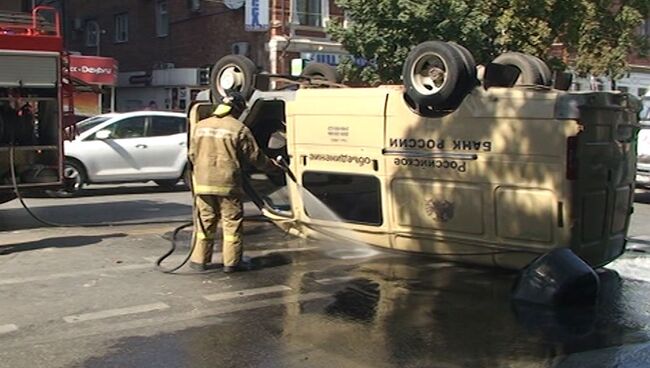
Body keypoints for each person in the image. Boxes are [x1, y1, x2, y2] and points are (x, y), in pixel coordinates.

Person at [188, 91, 282, 273]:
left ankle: (199, 261)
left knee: (204, 222)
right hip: (227, 184)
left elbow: (192, 154)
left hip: (203, 183)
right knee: (231, 224)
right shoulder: (238, 128)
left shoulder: (200, 126)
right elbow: (255, 157)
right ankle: (231, 263)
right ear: (237, 109)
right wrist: (274, 167)